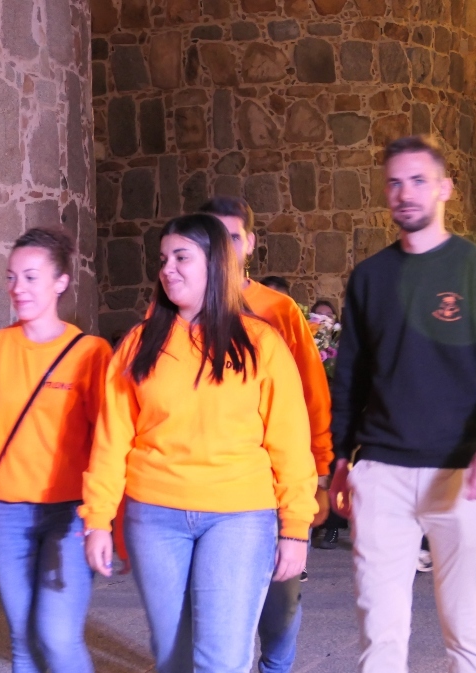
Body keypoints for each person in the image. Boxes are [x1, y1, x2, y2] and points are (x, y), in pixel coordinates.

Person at [329, 135, 476, 673]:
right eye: (395, 183)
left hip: (460, 472)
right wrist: (339, 460)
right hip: (382, 474)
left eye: (418, 181)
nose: (405, 193)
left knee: (467, 634)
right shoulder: (370, 278)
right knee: (379, 638)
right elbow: (350, 378)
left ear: (445, 188)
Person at [82, 214, 318, 673]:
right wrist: (97, 519)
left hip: (239, 516)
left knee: (221, 660)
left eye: (181, 257)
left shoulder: (261, 343)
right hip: (154, 516)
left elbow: (290, 443)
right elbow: (111, 440)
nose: (167, 268)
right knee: (173, 657)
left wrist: (295, 528)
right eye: (163, 259)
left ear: (215, 263)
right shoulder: (138, 344)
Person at [0, 227, 112, 673]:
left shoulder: (91, 354)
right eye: (11, 277)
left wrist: (104, 519)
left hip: (71, 513)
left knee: (58, 636)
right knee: (23, 640)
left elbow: (107, 440)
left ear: (61, 281)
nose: (17, 288)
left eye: (30, 277)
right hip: (6, 513)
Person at [199, 196, 333, 672]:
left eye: (233, 237)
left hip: (277, 479)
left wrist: (320, 471)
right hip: (210, 482)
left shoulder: (279, 310)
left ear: (251, 243)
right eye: (214, 237)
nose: (224, 247)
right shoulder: (180, 305)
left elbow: (312, 394)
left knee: (281, 602)